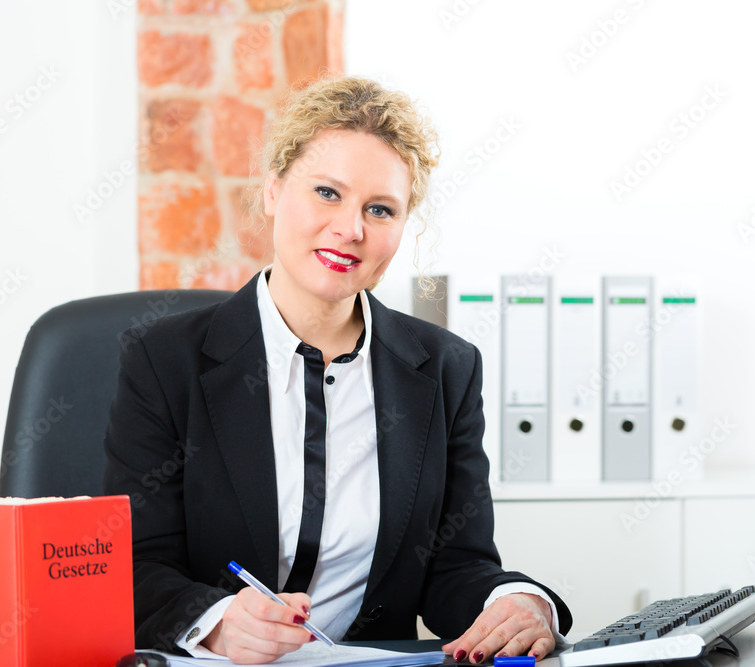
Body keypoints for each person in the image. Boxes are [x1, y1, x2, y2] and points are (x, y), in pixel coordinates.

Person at [102, 76, 572, 664]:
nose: (351, 229)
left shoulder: (447, 370)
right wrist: (216, 622)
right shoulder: (163, 359)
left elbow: (455, 566)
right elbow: (135, 565)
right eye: (327, 193)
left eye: (380, 209)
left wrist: (519, 602)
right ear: (273, 189)